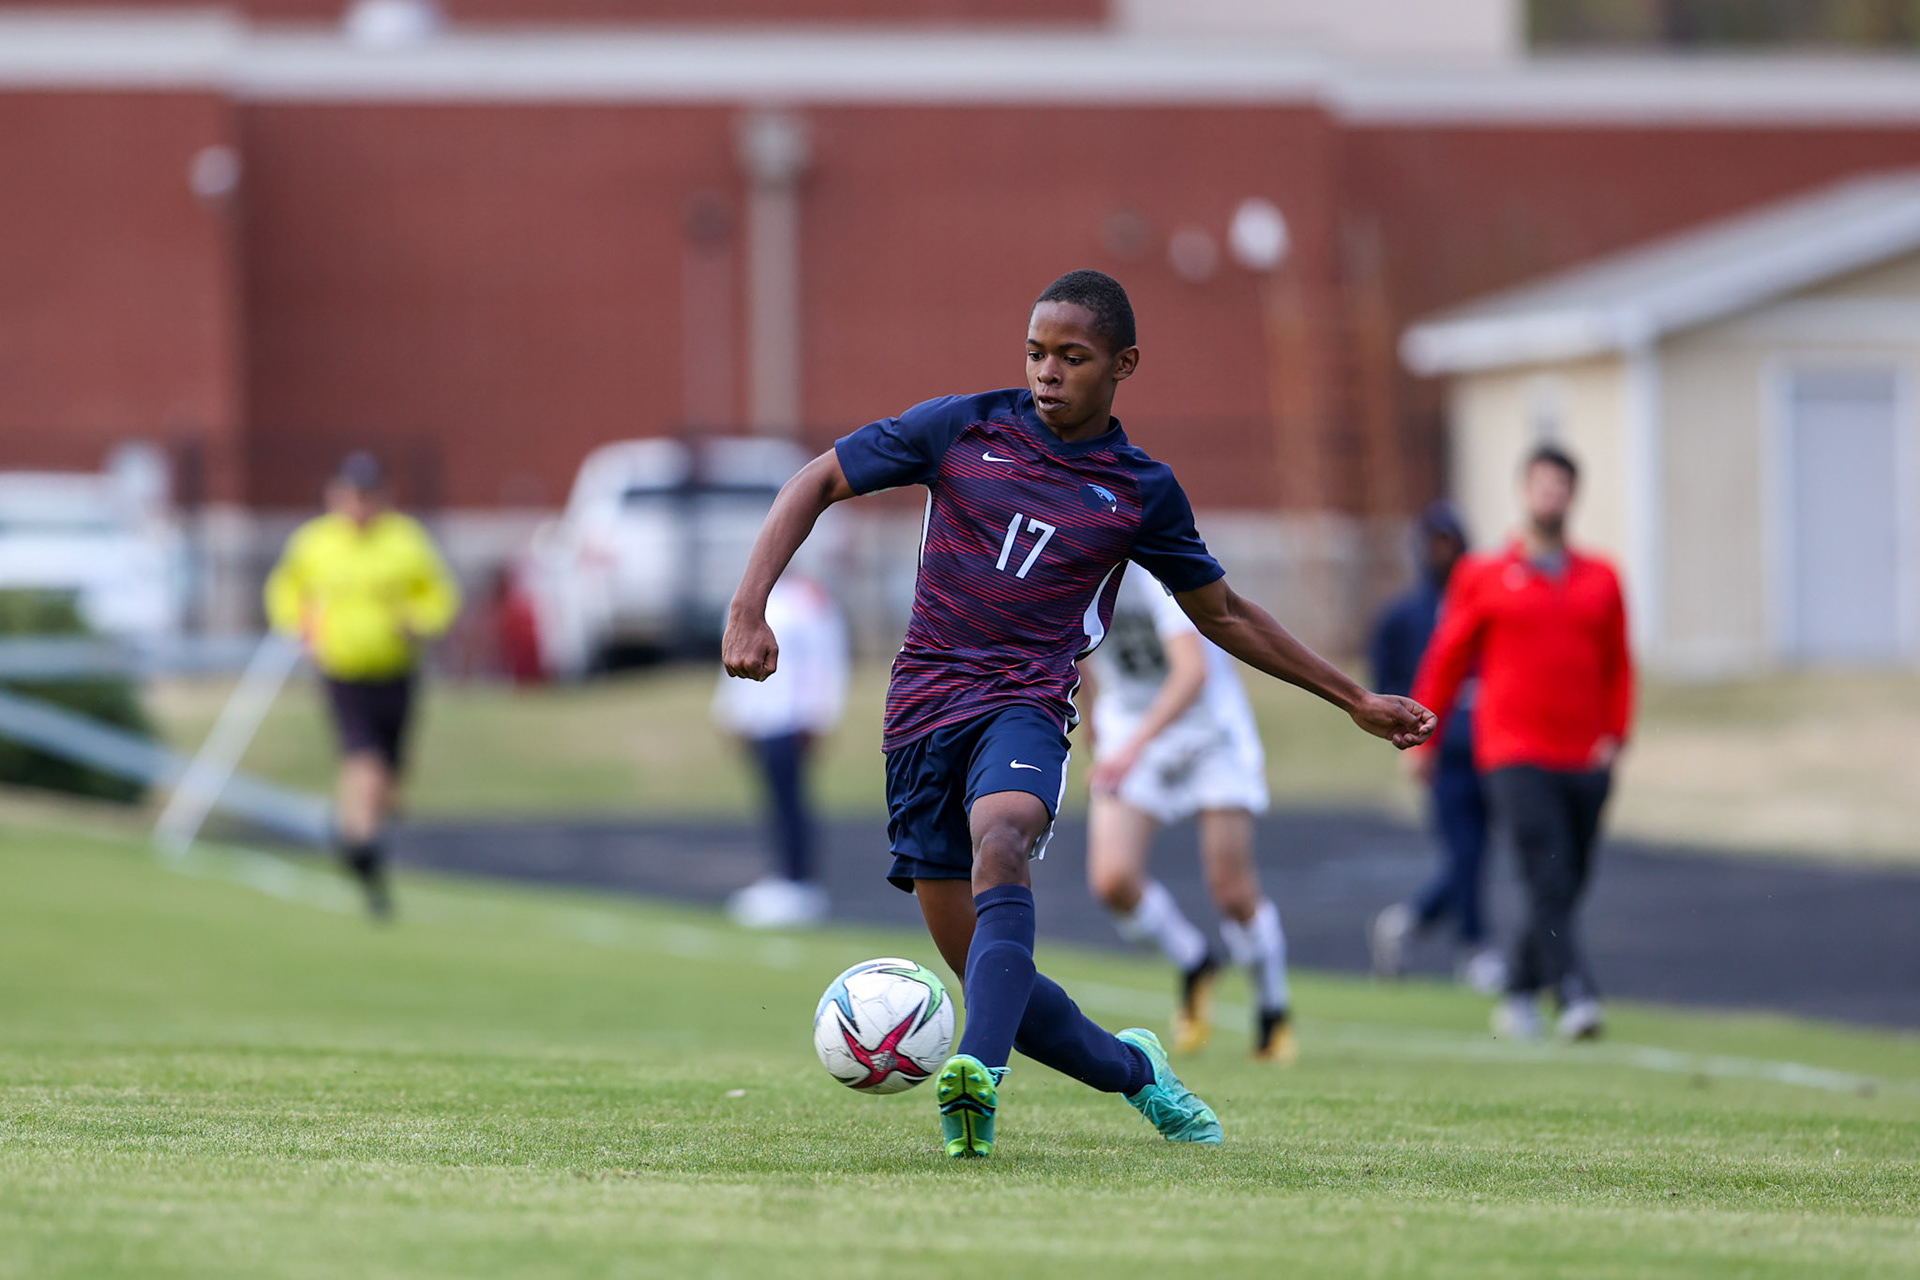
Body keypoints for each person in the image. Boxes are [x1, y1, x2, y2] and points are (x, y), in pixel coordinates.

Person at [721, 268, 1434, 1158]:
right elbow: (815, 480)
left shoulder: (1139, 490)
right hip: (919, 715)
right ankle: (1137, 1072)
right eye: (1035, 353)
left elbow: (1226, 615)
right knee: (988, 973)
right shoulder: (961, 426)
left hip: (1024, 701)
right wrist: (748, 607)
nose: (1047, 372)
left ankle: (975, 1076)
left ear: (1122, 364)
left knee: (1004, 838)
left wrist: (1355, 698)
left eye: (1072, 356)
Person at [1412, 445, 1633, 1041]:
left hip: (1584, 754)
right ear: (1524, 491)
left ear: (1573, 495)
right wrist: (1423, 737)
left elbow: (1618, 664)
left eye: (1560, 486)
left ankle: (1517, 988)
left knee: (1569, 879)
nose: (1550, 496)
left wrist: (1616, 735)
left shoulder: (1602, 578)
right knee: (1545, 872)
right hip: (1513, 752)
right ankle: (1577, 993)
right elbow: (1448, 658)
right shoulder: (1483, 574)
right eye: (1540, 485)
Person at [1081, 568, 1296, 1064]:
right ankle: (1196, 962)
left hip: (1208, 731)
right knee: (1113, 881)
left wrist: (1131, 748)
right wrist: (1093, 717)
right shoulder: (1076, 550)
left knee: (1232, 891)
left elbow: (1192, 671)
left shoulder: (1156, 565)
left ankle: (1272, 1012)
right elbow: (1077, 647)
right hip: (1130, 727)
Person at [265, 451, 461, 918]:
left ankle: (354, 833)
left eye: (367, 495)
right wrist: (300, 627)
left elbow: (439, 595)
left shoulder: (404, 541)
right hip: (343, 667)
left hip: (394, 668)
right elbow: (285, 590)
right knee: (363, 757)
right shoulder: (314, 543)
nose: (358, 504)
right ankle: (361, 842)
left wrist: (419, 622)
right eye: (351, 494)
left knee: (390, 776)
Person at [1366, 501, 1503, 993]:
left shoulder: (1485, 604)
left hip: (1492, 746)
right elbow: (1385, 677)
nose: (1441, 553)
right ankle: (1475, 947)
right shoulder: (1405, 615)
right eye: (1433, 543)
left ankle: (1408, 922)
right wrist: (1411, 736)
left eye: (1449, 542)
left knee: (1477, 853)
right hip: (1442, 749)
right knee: (1465, 850)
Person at [712, 572, 849, 929]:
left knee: (792, 801)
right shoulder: (746, 596)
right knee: (773, 800)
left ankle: (800, 883)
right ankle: (785, 877)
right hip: (760, 719)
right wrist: (732, 713)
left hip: (791, 718)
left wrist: (820, 714)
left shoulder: (809, 599)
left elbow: (826, 659)